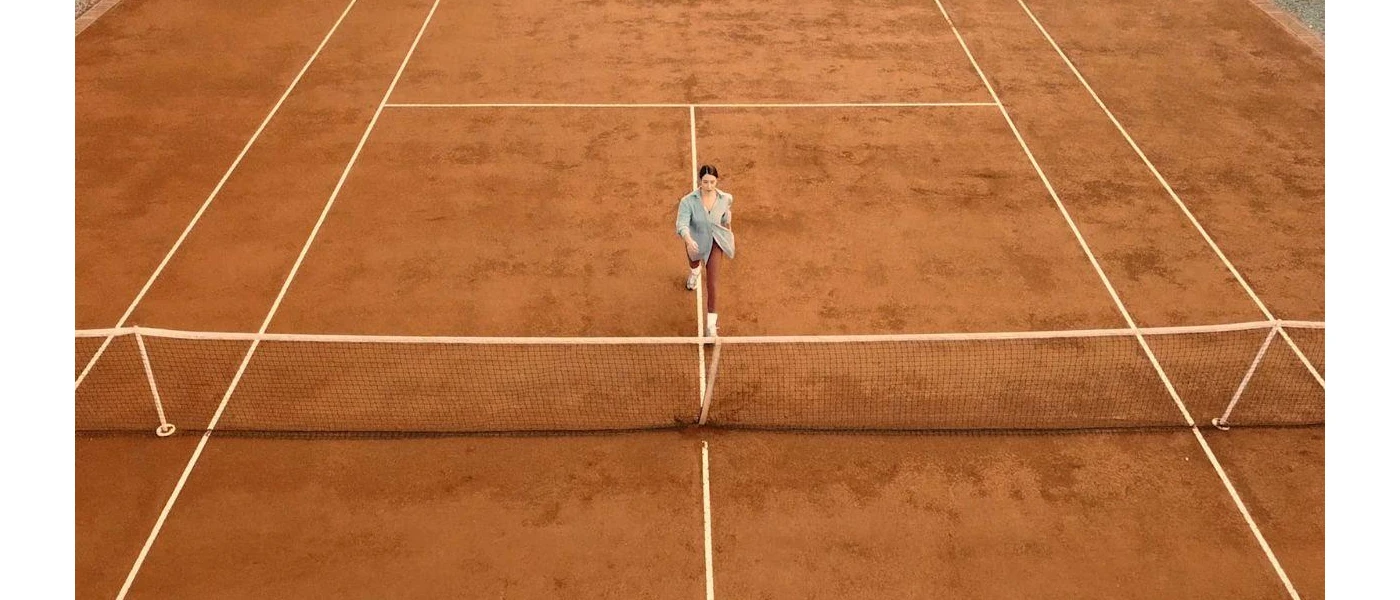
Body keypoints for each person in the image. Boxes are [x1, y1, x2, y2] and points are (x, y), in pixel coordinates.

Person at [675, 164, 734, 337]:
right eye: (705, 182)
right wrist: (688, 239)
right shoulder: (688, 201)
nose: (709, 186)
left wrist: (728, 231)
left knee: (713, 283)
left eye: (712, 182)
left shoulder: (725, 198)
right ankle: (694, 273)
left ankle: (711, 326)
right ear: (700, 181)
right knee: (694, 264)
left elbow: (725, 216)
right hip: (695, 241)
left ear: (717, 181)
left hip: (715, 242)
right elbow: (682, 224)